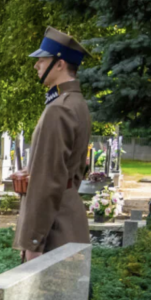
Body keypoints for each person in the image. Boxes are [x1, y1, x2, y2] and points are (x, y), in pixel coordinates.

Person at [14, 27, 92, 260]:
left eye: (42, 59)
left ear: (59, 64)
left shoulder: (59, 109)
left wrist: (34, 242)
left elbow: (48, 181)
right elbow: (72, 172)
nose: (36, 65)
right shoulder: (76, 103)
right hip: (66, 219)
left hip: (54, 233)